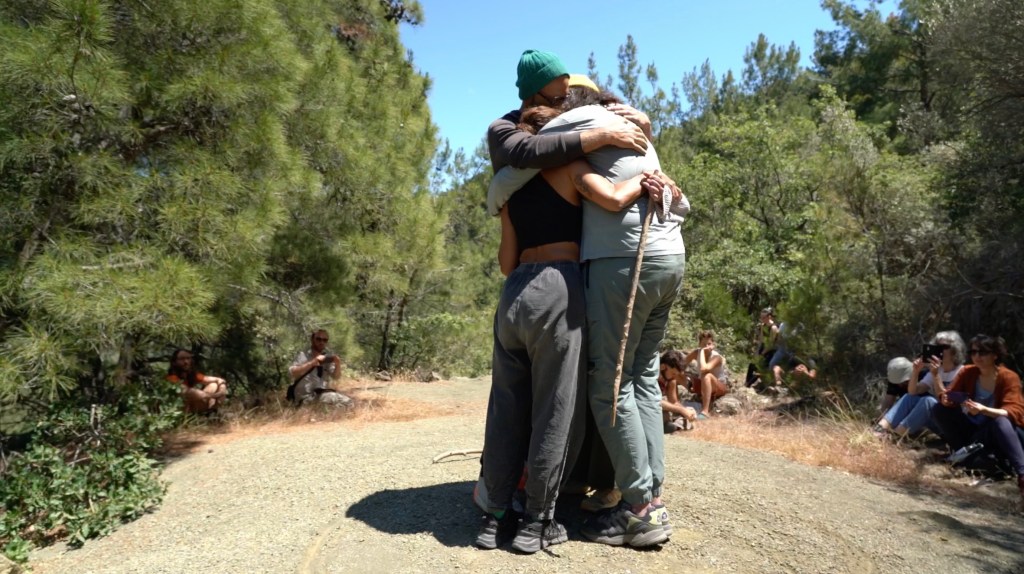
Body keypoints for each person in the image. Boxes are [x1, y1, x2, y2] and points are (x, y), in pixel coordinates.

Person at [488, 63, 687, 549]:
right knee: (632, 380)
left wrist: (496, 194)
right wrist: (647, 157)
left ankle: (634, 507)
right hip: (660, 257)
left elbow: (525, 165)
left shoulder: (569, 131)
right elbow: (663, 200)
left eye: (564, 97)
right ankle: (638, 496)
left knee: (594, 387)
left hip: (592, 269)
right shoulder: (623, 131)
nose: (560, 104)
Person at [931, 334, 1024, 501]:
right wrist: (938, 379)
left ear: (995, 355)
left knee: (1000, 421)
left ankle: (1022, 474)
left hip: (1002, 432)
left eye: (983, 352)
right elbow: (947, 398)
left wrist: (984, 410)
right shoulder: (968, 372)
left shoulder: (1009, 377)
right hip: (977, 431)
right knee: (939, 409)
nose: (977, 356)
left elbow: (1014, 411)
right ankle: (962, 454)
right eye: (973, 352)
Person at [875, 331, 966, 438]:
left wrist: (936, 375)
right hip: (937, 420)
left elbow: (947, 401)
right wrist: (916, 371)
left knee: (928, 401)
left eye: (944, 347)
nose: (940, 350)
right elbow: (913, 392)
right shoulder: (937, 371)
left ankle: (896, 436)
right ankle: (879, 429)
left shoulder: (962, 372)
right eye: (937, 346)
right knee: (910, 397)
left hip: (953, 423)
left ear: (955, 350)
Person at [288, 329, 351, 407]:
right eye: (318, 339)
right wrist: (312, 362)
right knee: (342, 400)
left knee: (345, 404)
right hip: (305, 397)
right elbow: (292, 373)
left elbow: (336, 377)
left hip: (321, 395)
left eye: (325, 340)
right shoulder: (303, 355)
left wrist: (337, 363)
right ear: (312, 340)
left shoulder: (326, 357)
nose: (322, 342)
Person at [682, 330, 729, 419]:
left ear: (713, 344)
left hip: (718, 386)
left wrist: (702, 352)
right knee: (678, 373)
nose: (707, 347)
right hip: (703, 384)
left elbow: (704, 369)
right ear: (699, 344)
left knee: (706, 375)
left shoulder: (717, 357)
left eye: (709, 344)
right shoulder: (696, 353)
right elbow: (682, 364)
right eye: (704, 344)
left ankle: (705, 412)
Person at [166, 348, 228, 414]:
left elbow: (219, 380)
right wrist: (216, 395)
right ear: (174, 362)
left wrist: (222, 389)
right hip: (180, 410)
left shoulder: (191, 374)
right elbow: (189, 392)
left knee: (214, 385)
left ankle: (212, 410)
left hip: (194, 406)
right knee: (186, 397)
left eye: (188, 358)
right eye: (182, 359)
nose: (186, 362)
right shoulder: (171, 378)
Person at [659, 350, 698, 431]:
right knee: (665, 415)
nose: (675, 377)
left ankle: (672, 426)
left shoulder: (671, 379)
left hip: (658, 409)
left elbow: (674, 402)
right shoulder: (650, 377)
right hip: (646, 407)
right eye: (673, 373)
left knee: (681, 416)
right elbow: (654, 401)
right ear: (663, 367)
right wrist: (682, 410)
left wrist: (686, 410)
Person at [745, 307, 779, 387]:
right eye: (761, 317)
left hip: (771, 350)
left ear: (769, 317)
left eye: (764, 317)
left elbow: (771, 344)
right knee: (752, 364)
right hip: (763, 347)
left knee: (760, 367)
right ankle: (747, 382)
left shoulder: (773, 328)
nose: (762, 319)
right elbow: (761, 339)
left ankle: (749, 383)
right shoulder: (763, 326)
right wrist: (758, 351)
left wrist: (763, 353)